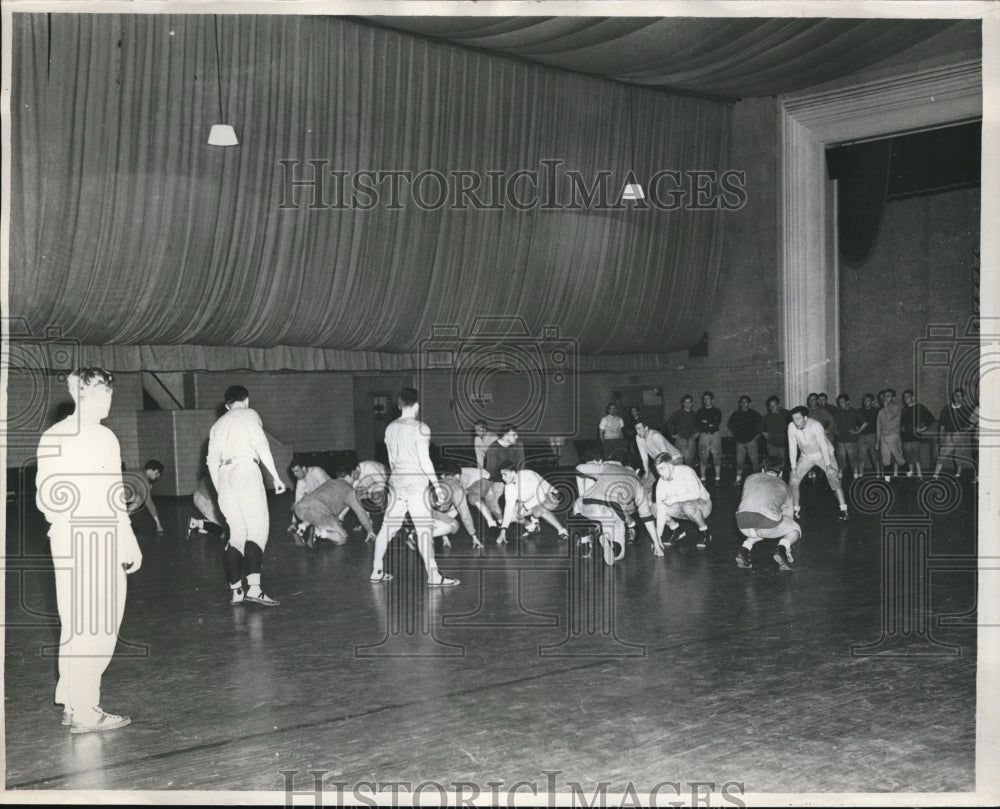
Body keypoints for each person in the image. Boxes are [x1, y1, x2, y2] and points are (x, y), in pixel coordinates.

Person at [35, 367, 142, 733]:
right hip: (90, 536)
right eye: (105, 393)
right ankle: (85, 709)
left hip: (75, 536)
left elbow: (49, 497)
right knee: (97, 625)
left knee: (78, 623)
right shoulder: (87, 437)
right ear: (89, 394)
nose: (109, 400)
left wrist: (122, 535)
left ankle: (71, 700)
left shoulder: (67, 435)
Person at [207, 385, 288, 607]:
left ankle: (236, 592)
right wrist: (276, 478)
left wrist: (219, 489)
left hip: (225, 478)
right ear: (247, 400)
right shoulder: (249, 414)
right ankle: (255, 589)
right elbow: (262, 447)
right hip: (246, 472)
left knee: (237, 534)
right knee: (257, 530)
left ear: (226, 405)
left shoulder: (217, 425)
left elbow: (211, 461)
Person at [368, 388, 458, 586]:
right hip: (416, 484)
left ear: (399, 405)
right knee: (423, 530)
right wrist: (437, 485)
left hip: (395, 482)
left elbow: (391, 460)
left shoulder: (390, 428)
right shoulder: (421, 427)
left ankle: (376, 570)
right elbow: (425, 461)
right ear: (416, 405)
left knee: (387, 528)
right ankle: (434, 576)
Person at [573, 455, 660, 562]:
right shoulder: (639, 485)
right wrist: (656, 543)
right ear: (637, 470)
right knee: (619, 555)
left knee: (577, 505)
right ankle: (611, 544)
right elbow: (647, 517)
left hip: (588, 505)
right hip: (611, 512)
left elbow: (579, 469)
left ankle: (585, 535)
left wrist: (582, 494)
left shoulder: (608, 467)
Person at [735, 457, 801, 571]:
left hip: (742, 522)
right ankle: (781, 549)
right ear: (780, 473)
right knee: (795, 529)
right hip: (765, 524)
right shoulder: (785, 486)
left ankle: (744, 550)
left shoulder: (749, 478)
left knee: (757, 525)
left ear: (762, 470)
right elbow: (790, 518)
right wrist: (787, 545)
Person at [787, 405, 849, 522]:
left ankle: (844, 511)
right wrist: (793, 468)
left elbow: (823, 446)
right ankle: (796, 511)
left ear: (805, 418)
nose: (796, 422)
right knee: (793, 480)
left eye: (799, 419)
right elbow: (792, 448)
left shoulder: (815, 425)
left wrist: (828, 466)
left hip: (823, 454)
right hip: (806, 456)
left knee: (833, 480)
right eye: (794, 419)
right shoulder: (791, 427)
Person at [292, 470, 377, 547]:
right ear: (348, 476)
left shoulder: (329, 482)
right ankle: (319, 533)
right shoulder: (349, 490)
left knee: (313, 514)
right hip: (318, 511)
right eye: (353, 477)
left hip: (300, 508)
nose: (353, 480)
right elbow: (361, 512)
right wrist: (370, 531)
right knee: (342, 538)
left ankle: (301, 529)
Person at [496, 461, 569, 544]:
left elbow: (540, 496)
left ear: (513, 473)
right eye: (501, 475)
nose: (502, 478)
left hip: (550, 497)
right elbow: (508, 508)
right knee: (512, 514)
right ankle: (531, 526)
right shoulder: (508, 487)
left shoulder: (528, 475)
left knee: (538, 510)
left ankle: (562, 531)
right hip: (530, 502)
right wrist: (503, 531)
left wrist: (524, 507)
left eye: (504, 474)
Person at [653, 453, 713, 548]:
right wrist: (657, 538)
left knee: (687, 506)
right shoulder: (661, 482)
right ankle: (677, 531)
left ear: (671, 466)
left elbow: (695, 494)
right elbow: (661, 510)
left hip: (703, 505)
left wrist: (672, 499)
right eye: (657, 470)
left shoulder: (686, 471)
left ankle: (705, 532)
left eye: (662, 468)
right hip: (680, 507)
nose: (660, 473)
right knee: (655, 508)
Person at [430, 468, 483, 549]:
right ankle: (419, 535)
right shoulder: (456, 488)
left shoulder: (438, 482)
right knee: (455, 525)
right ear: (458, 475)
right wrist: (474, 536)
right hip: (431, 514)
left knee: (452, 510)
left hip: (418, 513)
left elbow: (442, 511)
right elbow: (465, 515)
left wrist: (444, 536)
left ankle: (416, 532)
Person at [933, 387, 976, 479]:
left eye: (960, 396)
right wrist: (941, 438)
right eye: (956, 396)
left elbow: (972, 424)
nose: (958, 398)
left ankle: (958, 476)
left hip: (959, 435)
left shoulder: (966, 410)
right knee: (941, 455)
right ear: (954, 396)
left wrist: (964, 433)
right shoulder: (946, 409)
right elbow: (942, 426)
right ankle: (935, 475)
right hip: (948, 435)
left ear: (964, 397)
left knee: (958, 457)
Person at [288, 459, 333, 542]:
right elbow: (297, 502)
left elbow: (327, 489)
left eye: (297, 471)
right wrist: (293, 522)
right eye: (293, 472)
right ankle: (304, 530)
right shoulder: (300, 482)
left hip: (332, 496)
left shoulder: (317, 471)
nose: (295, 474)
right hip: (318, 500)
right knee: (298, 505)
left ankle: (314, 531)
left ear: (304, 468)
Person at [483, 425, 526, 508]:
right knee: (495, 502)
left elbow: (521, 466)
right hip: (500, 481)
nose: (517, 436)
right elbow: (491, 473)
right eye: (514, 434)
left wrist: (518, 482)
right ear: (506, 435)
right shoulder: (493, 448)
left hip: (516, 479)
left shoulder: (518, 444)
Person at [727, 395, 762, 485]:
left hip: (751, 441)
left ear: (749, 404)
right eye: (742, 402)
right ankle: (738, 479)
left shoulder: (754, 414)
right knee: (739, 462)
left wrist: (756, 436)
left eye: (745, 402)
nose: (743, 404)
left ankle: (758, 480)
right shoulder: (736, 414)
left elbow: (761, 424)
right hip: (740, 442)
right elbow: (730, 424)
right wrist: (736, 434)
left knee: (755, 461)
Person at [900, 389, 935, 478]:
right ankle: (910, 474)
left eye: (907, 397)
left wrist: (922, 429)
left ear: (913, 397)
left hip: (915, 436)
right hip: (905, 437)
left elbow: (931, 419)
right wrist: (902, 428)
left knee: (915, 456)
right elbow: (901, 423)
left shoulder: (920, 407)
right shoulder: (904, 410)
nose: (905, 399)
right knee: (908, 457)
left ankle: (920, 475)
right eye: (904, 397)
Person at [126, 459, 165, 533]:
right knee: (141, 498)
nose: (158, 475)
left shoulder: (140, 471)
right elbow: (149, 503)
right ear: (150, 470)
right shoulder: (143, 478)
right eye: (157, 472)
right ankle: (124, 519)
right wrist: (158, 524)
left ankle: (124, 519)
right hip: (116, 493)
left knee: (141, 494)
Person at [832, 394, 863, 480]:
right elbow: (833, 423)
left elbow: (864, 423)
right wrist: (835, 430)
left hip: (851, 440)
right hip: (840, 440)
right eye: (839, 402)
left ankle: (855, 474)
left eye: (842, 402)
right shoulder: (838, 412)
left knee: (853, 458)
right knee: (840, 458)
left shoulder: (854, 412)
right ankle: (840, 473)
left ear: (847, 402)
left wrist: (857, 431)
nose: (840, 404)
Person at [876, 388, 905, 481]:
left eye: (888, 396)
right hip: (883, 437)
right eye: (884, 396)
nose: (885, 398)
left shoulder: (896, 408)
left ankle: (909, 473)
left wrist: (885, 407)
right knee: (885, 459)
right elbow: (878, 427)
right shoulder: (880, 411)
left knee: (898, 458)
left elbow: (889, 418)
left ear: (893, 398)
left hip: (893, 436)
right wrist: (877, 441)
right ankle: (887, 480)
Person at [695, 392, 723, 483]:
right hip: (704, 436)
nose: (706, 401)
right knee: (703, 458)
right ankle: (703, 479)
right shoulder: (700, 412)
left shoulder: (717, 411)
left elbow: (716, 423)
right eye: (704, 399)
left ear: (712, 400)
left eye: (708, 398)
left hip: (715, 435)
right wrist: (709, 424)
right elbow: (700, 424)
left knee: (717, 457)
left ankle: (717, 479)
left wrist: (706, 422)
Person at [188, 474, 227, 539]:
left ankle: (200, 524)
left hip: (198, 495)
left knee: (221, 523)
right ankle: (199, 524)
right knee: (224, 530)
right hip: (204, 499)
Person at [665, 394, 699, 467]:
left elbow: (699, 425)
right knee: (680, 460)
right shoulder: (678, 413)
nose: (687, 404)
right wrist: (672, 434)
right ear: (683, 403)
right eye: (686, 402)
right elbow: (669, 423)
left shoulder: (695, 414)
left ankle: (689, 476)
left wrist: (697, 434)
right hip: (681, 439)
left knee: (690, 460)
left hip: (691, 440)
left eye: (689, 402)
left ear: (692, 403)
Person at [758, 396, 790, 471]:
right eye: (770, 406)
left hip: (783, 446)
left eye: (774, 406)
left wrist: (787, 433)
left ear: (778, 405)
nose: (772, 408)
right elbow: (758, 426)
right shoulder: (767, 416)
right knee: (772, 466)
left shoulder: (787, 414)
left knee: (782, 466)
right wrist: (763, 433)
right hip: (771, 445)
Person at [854, 393, 880, 477]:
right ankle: (860, 474)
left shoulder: (877, 411)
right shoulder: (859, 411)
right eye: (864, 400)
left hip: (872, 436)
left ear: (872, 402)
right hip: (862, 436)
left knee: (874, 456)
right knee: (861, 456)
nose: (866, 402)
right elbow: (856, 423)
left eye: (868, 400)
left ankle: (878, 474)